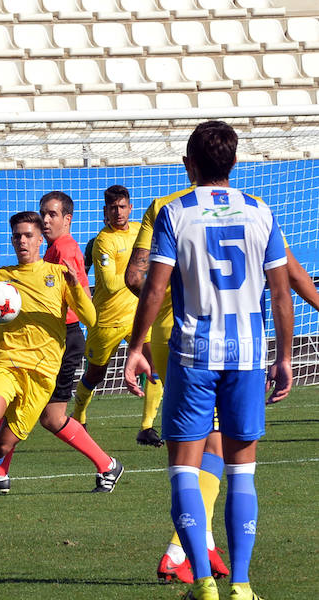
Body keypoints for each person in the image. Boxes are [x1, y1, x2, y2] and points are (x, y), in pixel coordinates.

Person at [127, 162, 319, 586]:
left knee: (188, 464)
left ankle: (196, 571)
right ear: (232, 163)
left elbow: (145, 281)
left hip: (190, 350)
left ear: (188, 164)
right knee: (238, 468)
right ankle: (238, 581)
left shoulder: (170, 210)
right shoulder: (259, 211)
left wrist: (135, 345)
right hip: (246, 354)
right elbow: (285, 281)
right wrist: (286, 354)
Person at [0, 210, 122, 513]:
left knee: (3, 446)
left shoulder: (58, 276)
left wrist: (75, 288)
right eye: (17, 235)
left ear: (39, 239)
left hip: (43, 375)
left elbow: (91, 318)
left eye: (28, 235)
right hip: (6, 364)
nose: (22, 240)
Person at [70, 185, 165, 448]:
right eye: (113, 208)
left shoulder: (139, 231)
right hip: (107, 321)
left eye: (122, 206)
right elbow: (111, 284)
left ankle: (147, 427)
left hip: (136, 315)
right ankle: (78, 416)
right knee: (95, 374)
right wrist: (136, 275)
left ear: (130, 208)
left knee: (154, 365)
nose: (118, 212)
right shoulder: (103, 240)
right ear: (106, 210)